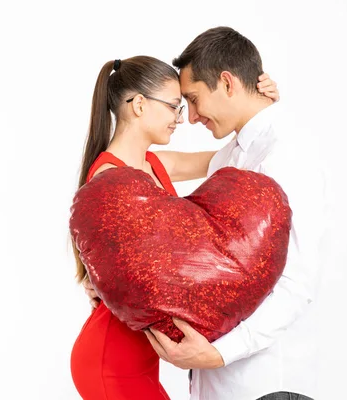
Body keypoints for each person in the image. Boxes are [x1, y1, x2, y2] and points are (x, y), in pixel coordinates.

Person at [71, 54, 279, 400]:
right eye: (173, 107)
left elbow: (232, 155)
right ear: (139, 105)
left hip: (138, 356)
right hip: (112, 357)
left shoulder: (155, 163)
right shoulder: (107, 177)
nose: (180, 119)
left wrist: (262, 107)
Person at [144, 27, 322, 400]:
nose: (190, 117)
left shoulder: (286, 152)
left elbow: (297, 281)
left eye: (193, 99)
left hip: (265, 385)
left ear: (226, 83)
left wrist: (219, 353)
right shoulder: (232, 156)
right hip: (222, 387)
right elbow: (170, 167)